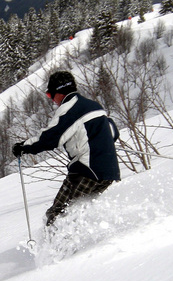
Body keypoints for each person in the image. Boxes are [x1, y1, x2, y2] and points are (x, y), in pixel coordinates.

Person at [13, 71, 120, 226]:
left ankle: (69, 248)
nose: (52, 100)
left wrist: (23, 147)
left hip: (87, 171)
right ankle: (89, 239)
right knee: (75, 212)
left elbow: (50, 139)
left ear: (58, 92)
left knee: (59, 217)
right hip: (109, 171)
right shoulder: (95, 106)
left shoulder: (69, 109)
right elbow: (113, 132)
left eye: (50, 95)